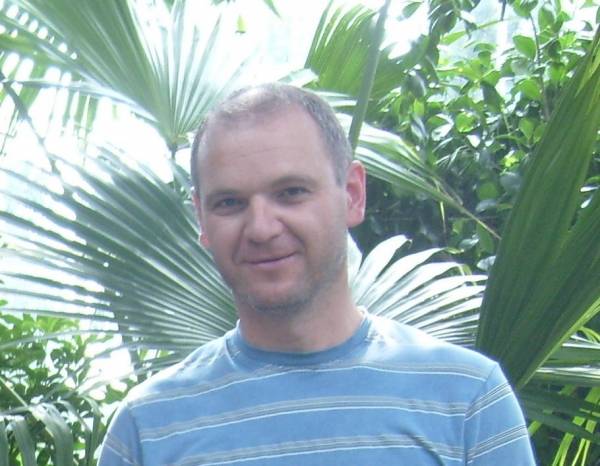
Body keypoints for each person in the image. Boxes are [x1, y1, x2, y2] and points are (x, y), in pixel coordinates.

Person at [98, 83, 536, 465]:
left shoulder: (467, 400)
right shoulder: (147, 427)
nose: (262, 228)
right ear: (201, 217)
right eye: (229, 203)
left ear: (352, 194)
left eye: (291, 193)